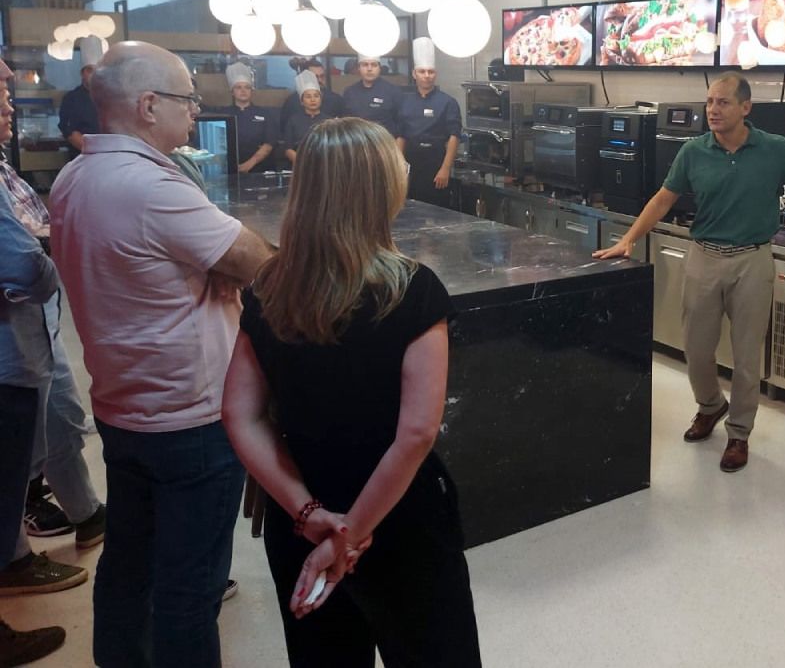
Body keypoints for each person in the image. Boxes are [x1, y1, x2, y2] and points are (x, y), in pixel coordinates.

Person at [222, 117, 481, 667]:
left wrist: (312, 514)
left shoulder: (269, 286)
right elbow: (415, 433)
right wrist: (351, 534)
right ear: (381, 187)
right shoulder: (412, 289)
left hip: (301, 517)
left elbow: (240, 416)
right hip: (399, 515)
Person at [49, 40, 273, 668]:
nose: (196, 113)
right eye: (187, 100)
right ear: (148, 106)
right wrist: (221, 271)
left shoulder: (74, 176)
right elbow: (258, 263)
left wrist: (208, 270)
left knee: (129, 563)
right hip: (190, 419)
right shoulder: (151, 186)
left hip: (123, 407)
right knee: (189, 590)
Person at [594, 73, 785, 472]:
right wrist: (630, 239)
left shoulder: (773, 149)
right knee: (697, 350)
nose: (713, 110)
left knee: (745, 357)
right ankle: (711, 406)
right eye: (709, 102)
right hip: (704, 256)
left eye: (722, 102)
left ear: (745, 108)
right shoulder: (693, 151)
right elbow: (662, 199)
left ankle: (739, 434)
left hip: (753, 260)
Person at [0, 57, 79, 667]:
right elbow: (27, 263)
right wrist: (47, 266)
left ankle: (16, 559)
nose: (9, 105)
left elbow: (38, 237)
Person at [394, 38, 461, 207]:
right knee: (409, 210)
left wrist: (445, 168)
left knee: (437, 213)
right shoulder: (404, 101)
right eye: (422, 71)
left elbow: (454, 137)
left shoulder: (448, 102)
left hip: (436, 163)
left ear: (435, 74)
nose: (426, 76)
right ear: (414, 74)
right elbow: (401, 136)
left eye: (430, 72)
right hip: (411, 164)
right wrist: (399, 165)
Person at [218, 61, 279, 174]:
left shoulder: (265, 114)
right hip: (230, 167)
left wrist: (250, 163)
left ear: (251, 91)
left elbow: (269, 143)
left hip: (260, 168)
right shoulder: (223, 114)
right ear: (232, 91)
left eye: (247, 87)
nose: (243, 91)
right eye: (238, 87)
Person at [56, 36, 104, 156]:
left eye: (97, 70)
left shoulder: (110, 97)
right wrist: (97, 153)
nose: (94, 74)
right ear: (82, 73)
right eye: (90, 70)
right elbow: (71, 133)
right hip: (83, 159)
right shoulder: (72, 99)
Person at [282, 70, 333, 167]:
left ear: (321, 100)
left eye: (316, 96)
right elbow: (288, 149)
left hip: (325, 166)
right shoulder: (293, 120)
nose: (313, 100)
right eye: (308, 97)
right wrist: (304, 164)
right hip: (299, 166)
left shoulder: (329, 121)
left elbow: (334, 148)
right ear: (302, 101)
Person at [341, 55, 400, 133]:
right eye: (365, 65)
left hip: (384, 142)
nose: (369, 69)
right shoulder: (349, 92)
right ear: (359, 68)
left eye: (374, 65)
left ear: (379, 68)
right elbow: (345, 123)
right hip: (357, 141)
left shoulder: (393, 91)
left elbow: (401, 126)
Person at [280, 57, 341, 132]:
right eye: (315, 77)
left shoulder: (336, 100)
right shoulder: (292, 102)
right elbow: (285, 129)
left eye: (322, 76)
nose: (319, 80)